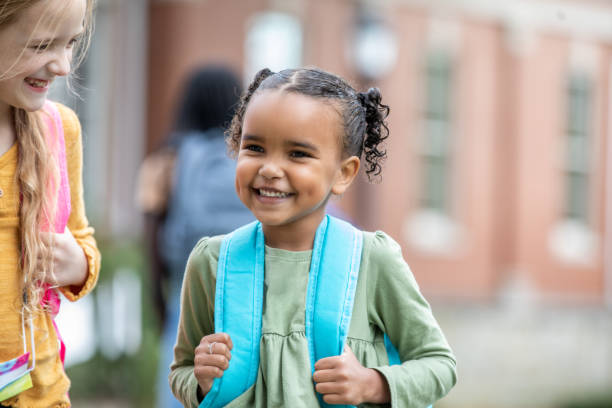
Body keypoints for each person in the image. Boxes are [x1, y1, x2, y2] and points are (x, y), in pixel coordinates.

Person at [169, 67, 457, 407]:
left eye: (298, 154)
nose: (270, 169)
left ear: (343, 173)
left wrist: (370, 383)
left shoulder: (371, 259)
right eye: (255, 147)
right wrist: (201, 381)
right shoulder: (213, 261)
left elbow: (440, 365)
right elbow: (181, 371)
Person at [0, 0, 100, 407]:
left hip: (40, 393)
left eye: (71, 43)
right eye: (41, 46)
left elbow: (83, 239)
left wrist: (77, 263)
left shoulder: (60, 130)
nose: (62, 66)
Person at [136, 65, 254, 408]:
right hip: (245, 290)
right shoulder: (251, 158)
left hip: (184, 289)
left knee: (182, 382)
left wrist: (158, 304)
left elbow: (153, 237)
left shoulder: (166, 159)